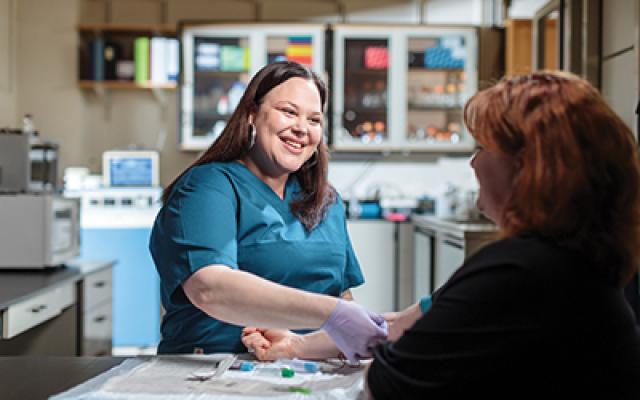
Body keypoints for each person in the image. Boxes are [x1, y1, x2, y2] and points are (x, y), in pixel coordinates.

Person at [242, 71, 640, 399]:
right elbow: (408, 321)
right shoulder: (581, 261)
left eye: (484, 146)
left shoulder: (519, 270)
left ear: (527, 167)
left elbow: (388, 386)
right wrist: (297, 346)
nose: (473, 162)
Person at [149, 61, 386, 361]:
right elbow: (209, 287)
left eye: (314, 119)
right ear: (252, 115)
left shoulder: (326, 200)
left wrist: (353, 330)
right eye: (288, 112)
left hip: (308, 372)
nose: (301, 128)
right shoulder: (207, 188)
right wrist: (332, 313)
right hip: (212, 372)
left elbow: (343, 306)